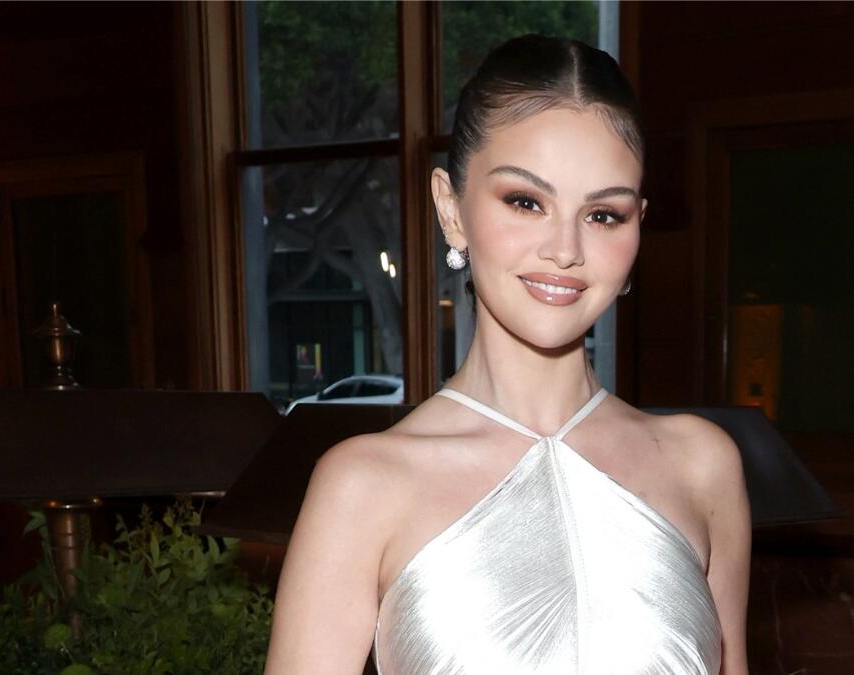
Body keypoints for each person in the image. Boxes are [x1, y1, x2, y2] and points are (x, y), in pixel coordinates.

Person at [265, 34, 751, 675]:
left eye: (603, 215)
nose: (565, 249)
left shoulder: (703, 466)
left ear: (638, 224)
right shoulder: (363, 486)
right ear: (451, 208)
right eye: (526, 201)